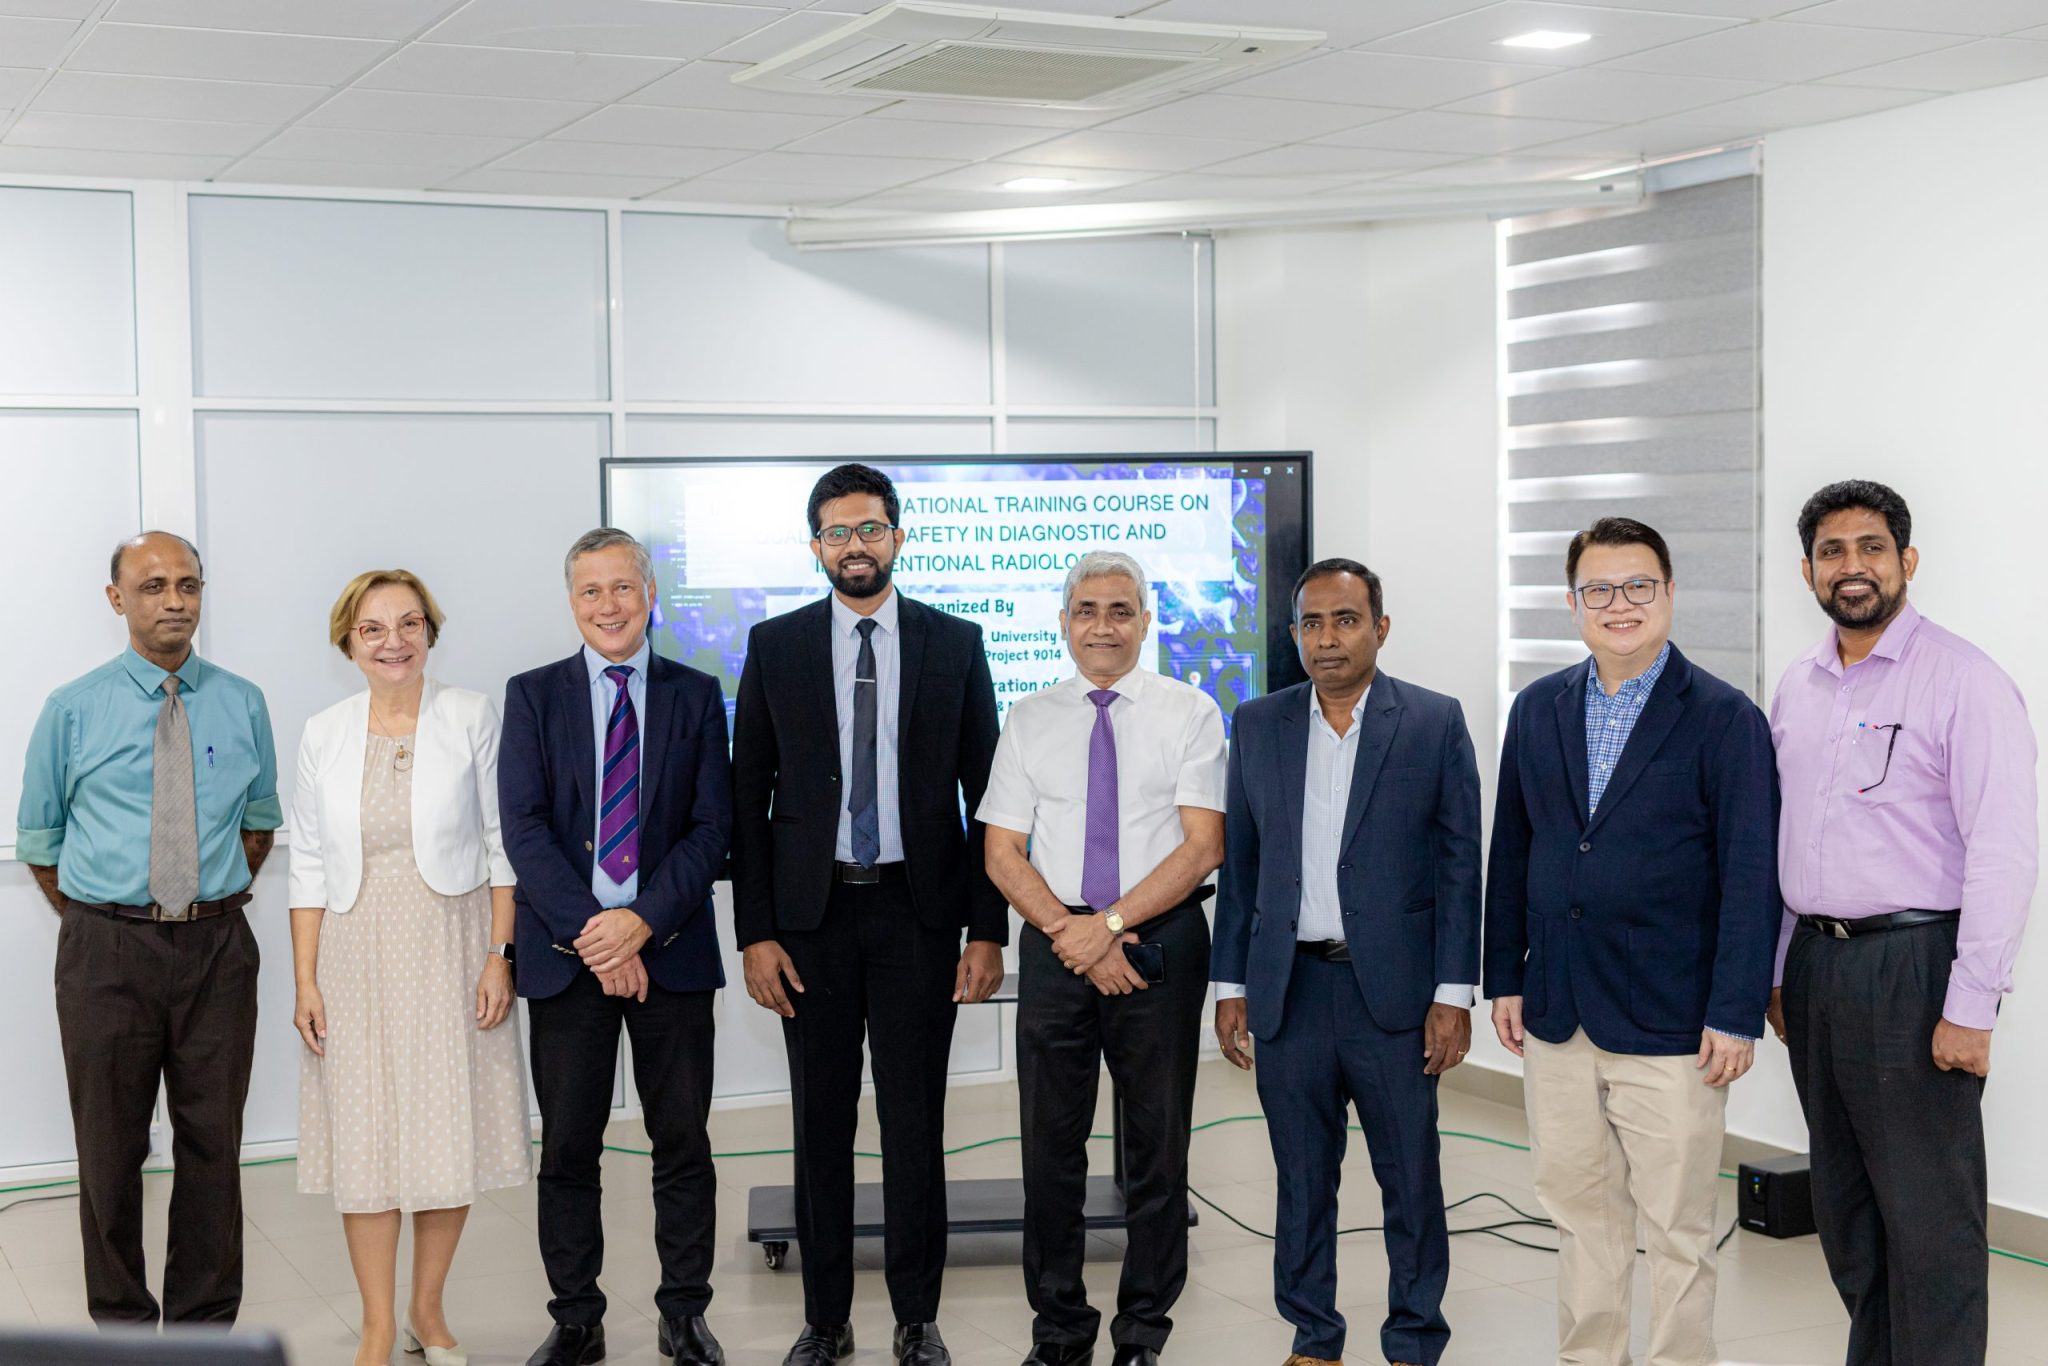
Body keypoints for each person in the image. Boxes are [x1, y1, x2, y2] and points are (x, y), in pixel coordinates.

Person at [1483, 517, 1778, 1366]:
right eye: (1600, 589)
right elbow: (1515, 850)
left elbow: (1750, 877)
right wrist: (1505, 975)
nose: (1621, 604)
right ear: (1572, 601)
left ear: (1670, 592)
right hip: (1559, 1009)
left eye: (1639, 585)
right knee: (1579, 1214)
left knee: (1677, 1228)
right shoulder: (1537, 708)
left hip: (1673, 1018)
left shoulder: (1725, 718)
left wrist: (1735, 1012)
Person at [731, 464, 1007, 1366]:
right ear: (816, 545)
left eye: (871, 529)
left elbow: (988, 799)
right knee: (820, 1125)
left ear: (898, 536)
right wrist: (755, 932)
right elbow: (746, 799)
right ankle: (825, 1319)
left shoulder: (954, 643)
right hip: (808, 923)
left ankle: (917, 1318)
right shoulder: (774, 646)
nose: (856, 546)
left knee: (914, 1123)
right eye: (838, 532)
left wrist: (987, 929)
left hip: (917, 916)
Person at [1765, 480, 2037, 1366]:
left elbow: (2003, 852)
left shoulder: (1965, 681)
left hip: (1915, 969)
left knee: (1929, 1219)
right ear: (1808, 571)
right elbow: (1788, 836)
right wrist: (1780, 971)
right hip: (1817, 967)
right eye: (1832, 552)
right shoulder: (1798, 686)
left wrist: (1972, 1006)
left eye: (1871, 548)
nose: (1852, 567)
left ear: (1906, 560)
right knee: (1846, 1210)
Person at [1211, 558, 1481, 1366]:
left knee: (1410, 1178)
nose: (1328, 638)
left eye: (1346, 620)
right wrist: (1230, 983)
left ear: (1380, 628)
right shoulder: (1258, 723)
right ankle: (1313, 1337)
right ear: (1295, 633)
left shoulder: (1432, 721)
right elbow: (1242, 866)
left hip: (1394, 998)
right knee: (1300, 1178)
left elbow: (1460, 866)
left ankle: (1414, 1339)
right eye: (1312, 623)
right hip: (1288, 990)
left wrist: (1453, 991)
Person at [16, 531, 281, 1327]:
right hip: (105, 952)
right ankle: (122, 1329)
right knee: (109, 1149)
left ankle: (203, 1330)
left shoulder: (243, 701)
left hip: (217, 951)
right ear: (117, 598)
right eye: (154, 585)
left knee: (213, 1146)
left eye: (188, 585)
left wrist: (195, 908)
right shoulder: (71, 709)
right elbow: (41, 842)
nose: (175, 601)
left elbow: (258, 825)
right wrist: (109, 918)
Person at [979, 549, 1227, 1366]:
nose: (1103, 627)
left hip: (1159, 941)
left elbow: (1203, 846)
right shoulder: (1029, 718)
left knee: (1157, 1148)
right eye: (1086, 611)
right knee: (1049, 1150)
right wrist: (1075, 934)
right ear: (1063, 623)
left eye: (1121, 611)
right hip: (1059, 942)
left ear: (1146, 622)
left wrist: (1111, 925)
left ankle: (1142, 1332)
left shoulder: (1190, 712)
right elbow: (1002, 852)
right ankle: (1059, 1331)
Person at [498, 529, 734, 1366]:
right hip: (568, 961)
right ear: (572, 603)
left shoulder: (696, 695)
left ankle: (684, 1313)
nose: (609, 605)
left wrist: (641, 922)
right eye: (591, 591)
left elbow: (712, 828)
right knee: (569, 1148)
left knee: (683, 1143)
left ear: (650, 595)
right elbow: (523, 828)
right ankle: (577, 1318)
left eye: (623, 588)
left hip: (671, 950)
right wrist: (597, 935)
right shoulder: (532, 696)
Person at [288, 569, 531, 1366]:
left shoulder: (470, 715)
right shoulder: (323, 732)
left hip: (450, 945)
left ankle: (427, 1310)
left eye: (409, 624)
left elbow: (501, 846)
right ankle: (375, 1325)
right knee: (366, 1138)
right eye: (373, 628)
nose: (393, 642)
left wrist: (499, 956)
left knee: (441, 1132)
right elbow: (308, 865)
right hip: (352, 952)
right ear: (348, 642)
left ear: (430, 631)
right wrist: (306, 980)